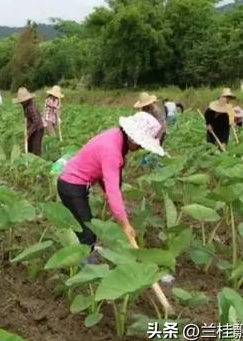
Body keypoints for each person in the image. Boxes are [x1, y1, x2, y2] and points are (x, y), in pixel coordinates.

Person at [57, 112, 165, 264]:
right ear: (133, 139)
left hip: (76, 184)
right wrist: (125, 225)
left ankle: (85, 253)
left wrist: (115, 205)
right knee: (87, 231)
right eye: (140, 143)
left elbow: (106, 179)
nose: (141, 147)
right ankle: (85, 266)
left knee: (84, 224)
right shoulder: (112, 151)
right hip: (71, 185)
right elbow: (113, 191)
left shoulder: (116, 136)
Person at [13, 87, 44, 156]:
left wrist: (28, 133)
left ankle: (37, 160)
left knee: (35, 148)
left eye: (22, 101)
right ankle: (29, 158)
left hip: (38, 129)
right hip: (32, 129)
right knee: (29, 147)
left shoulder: (31, 107)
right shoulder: (26, 106)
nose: (21, 103)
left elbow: (36, 121)